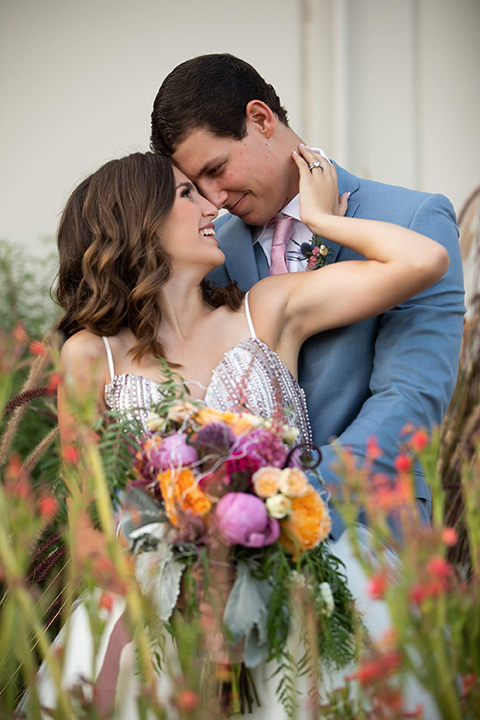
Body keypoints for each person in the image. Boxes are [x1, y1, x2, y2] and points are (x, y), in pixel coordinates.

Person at [34, 148, 448, 719]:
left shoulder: (267, 311)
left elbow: (425, 260)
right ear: (138, 221)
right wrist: (158, 597)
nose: (213, 204)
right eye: (188, 194)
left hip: (295, 577)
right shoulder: (90, 356)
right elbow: (88, 517)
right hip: (159, 601)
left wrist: (321, 221)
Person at [150, 53, 465, 540]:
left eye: (217, 169)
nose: (213, 198)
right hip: (238, 544)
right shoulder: (209, 252)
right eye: (196, 185)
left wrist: (299, 503)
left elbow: (411, 396)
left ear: (260, 119)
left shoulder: (409, 219)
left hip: (370, 532)